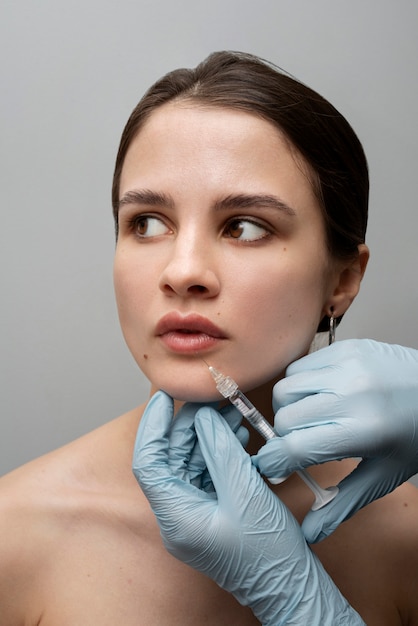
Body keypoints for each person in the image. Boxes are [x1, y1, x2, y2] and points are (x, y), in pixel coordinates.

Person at [0, 50, 417, 625]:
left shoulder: (407, 534)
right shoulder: (15, 532)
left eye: (245, 227)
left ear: (342, 280)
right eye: (146, 222)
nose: (182, 270)